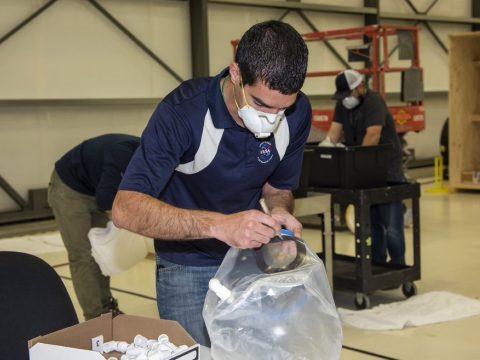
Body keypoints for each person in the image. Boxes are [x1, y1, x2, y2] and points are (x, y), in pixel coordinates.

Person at [112, 20, 311, 345]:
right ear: (236, 74)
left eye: (282, 108)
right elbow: (125, 209)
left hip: (250, 259)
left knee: (255, 350)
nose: (272, 118)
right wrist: (219, 226)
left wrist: (278, 211)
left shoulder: (298, 113)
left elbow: (279, 186)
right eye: (261, 104)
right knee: (198, 353)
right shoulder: (183, 114)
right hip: (186, 264)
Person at [48, 133, 141, 320]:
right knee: (82, 255)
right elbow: (106, 201)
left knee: (101, 251)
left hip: (95, 188)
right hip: (69, 189)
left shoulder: (148, 158)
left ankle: (106, 307)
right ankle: (95, 317)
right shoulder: (124, 154)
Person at [324, 69, 406, 265]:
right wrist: (325, 151)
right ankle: (376, 265)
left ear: (360, 87)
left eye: (348, 95)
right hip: (365, 173)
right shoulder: (343, 104)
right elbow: (334, 134)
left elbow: (373, 136)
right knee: (372, 225)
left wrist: (354, 164)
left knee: (392, 226)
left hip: (387, 171)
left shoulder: (374, 102)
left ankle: (398, 267)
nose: (345, 100)